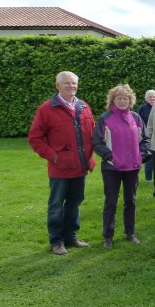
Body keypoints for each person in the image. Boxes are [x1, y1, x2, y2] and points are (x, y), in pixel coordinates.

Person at [28, 71, 96, 255]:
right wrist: (54, 156)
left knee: (74, 204)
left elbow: (93, 134)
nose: (71, 86)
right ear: (57, 86)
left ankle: (71, 237)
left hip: (80, 166)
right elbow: (35, 138)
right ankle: (56, 241)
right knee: (57, 205)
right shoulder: (46, 109)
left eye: (74, 83)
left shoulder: (84, 106)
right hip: (60, 169)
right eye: (67, 83)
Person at [93, 84, 151, 248]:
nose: (122, 101)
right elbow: (97, 142)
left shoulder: (136, 117)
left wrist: (143, 154)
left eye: (126, 98)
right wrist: (110, 157)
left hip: (132, 168)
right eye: (119, 98)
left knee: (130, 201)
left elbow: (145, 139)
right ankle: (108, 236)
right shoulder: (105, 118)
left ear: (130, 100)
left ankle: (130, 233)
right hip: (112, 168)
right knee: (111, 202)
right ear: (113, 100)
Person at [136, 89, 155, 181]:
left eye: (154, 96)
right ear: (146, 98)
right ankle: (148, 178)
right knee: (149, 156)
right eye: (150, 97)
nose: (152, 98)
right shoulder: (142, 108)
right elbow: (137, 121)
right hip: (147, 136)